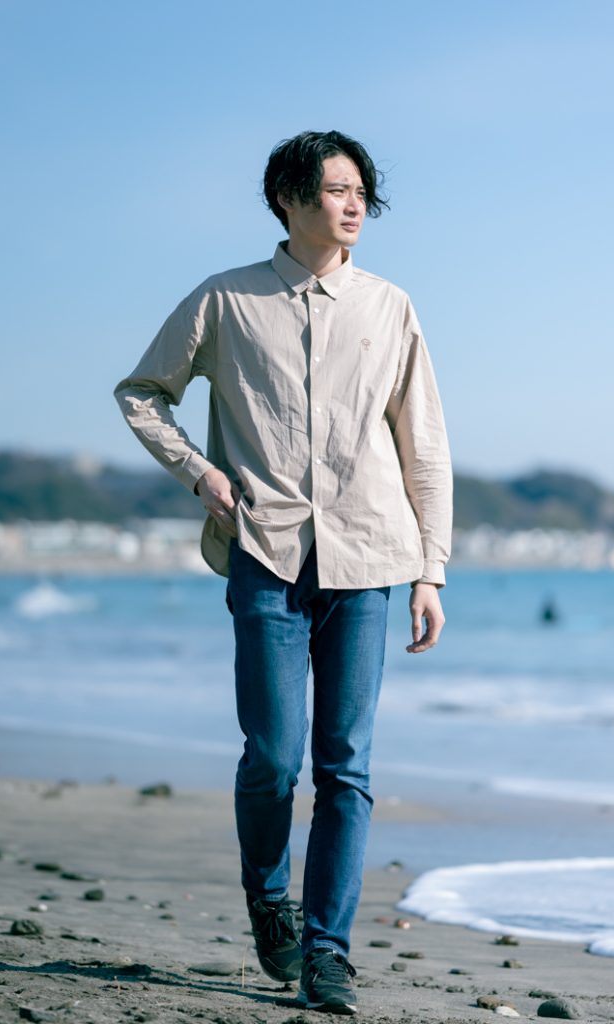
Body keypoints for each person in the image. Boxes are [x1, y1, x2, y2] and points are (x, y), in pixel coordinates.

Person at [114, 129, 452, 1015]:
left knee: (347, 766)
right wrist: (200, 472)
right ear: (289, 201)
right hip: (264, 551)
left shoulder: (390, 306)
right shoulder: (225, 300)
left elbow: (423, 446)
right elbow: (142, 394)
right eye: (336, 190)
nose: (354, 205)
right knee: (272, 757)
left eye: (361, 192)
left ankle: (329, 952)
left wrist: (431, 570)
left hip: (370, 557)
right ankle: (271, 900)